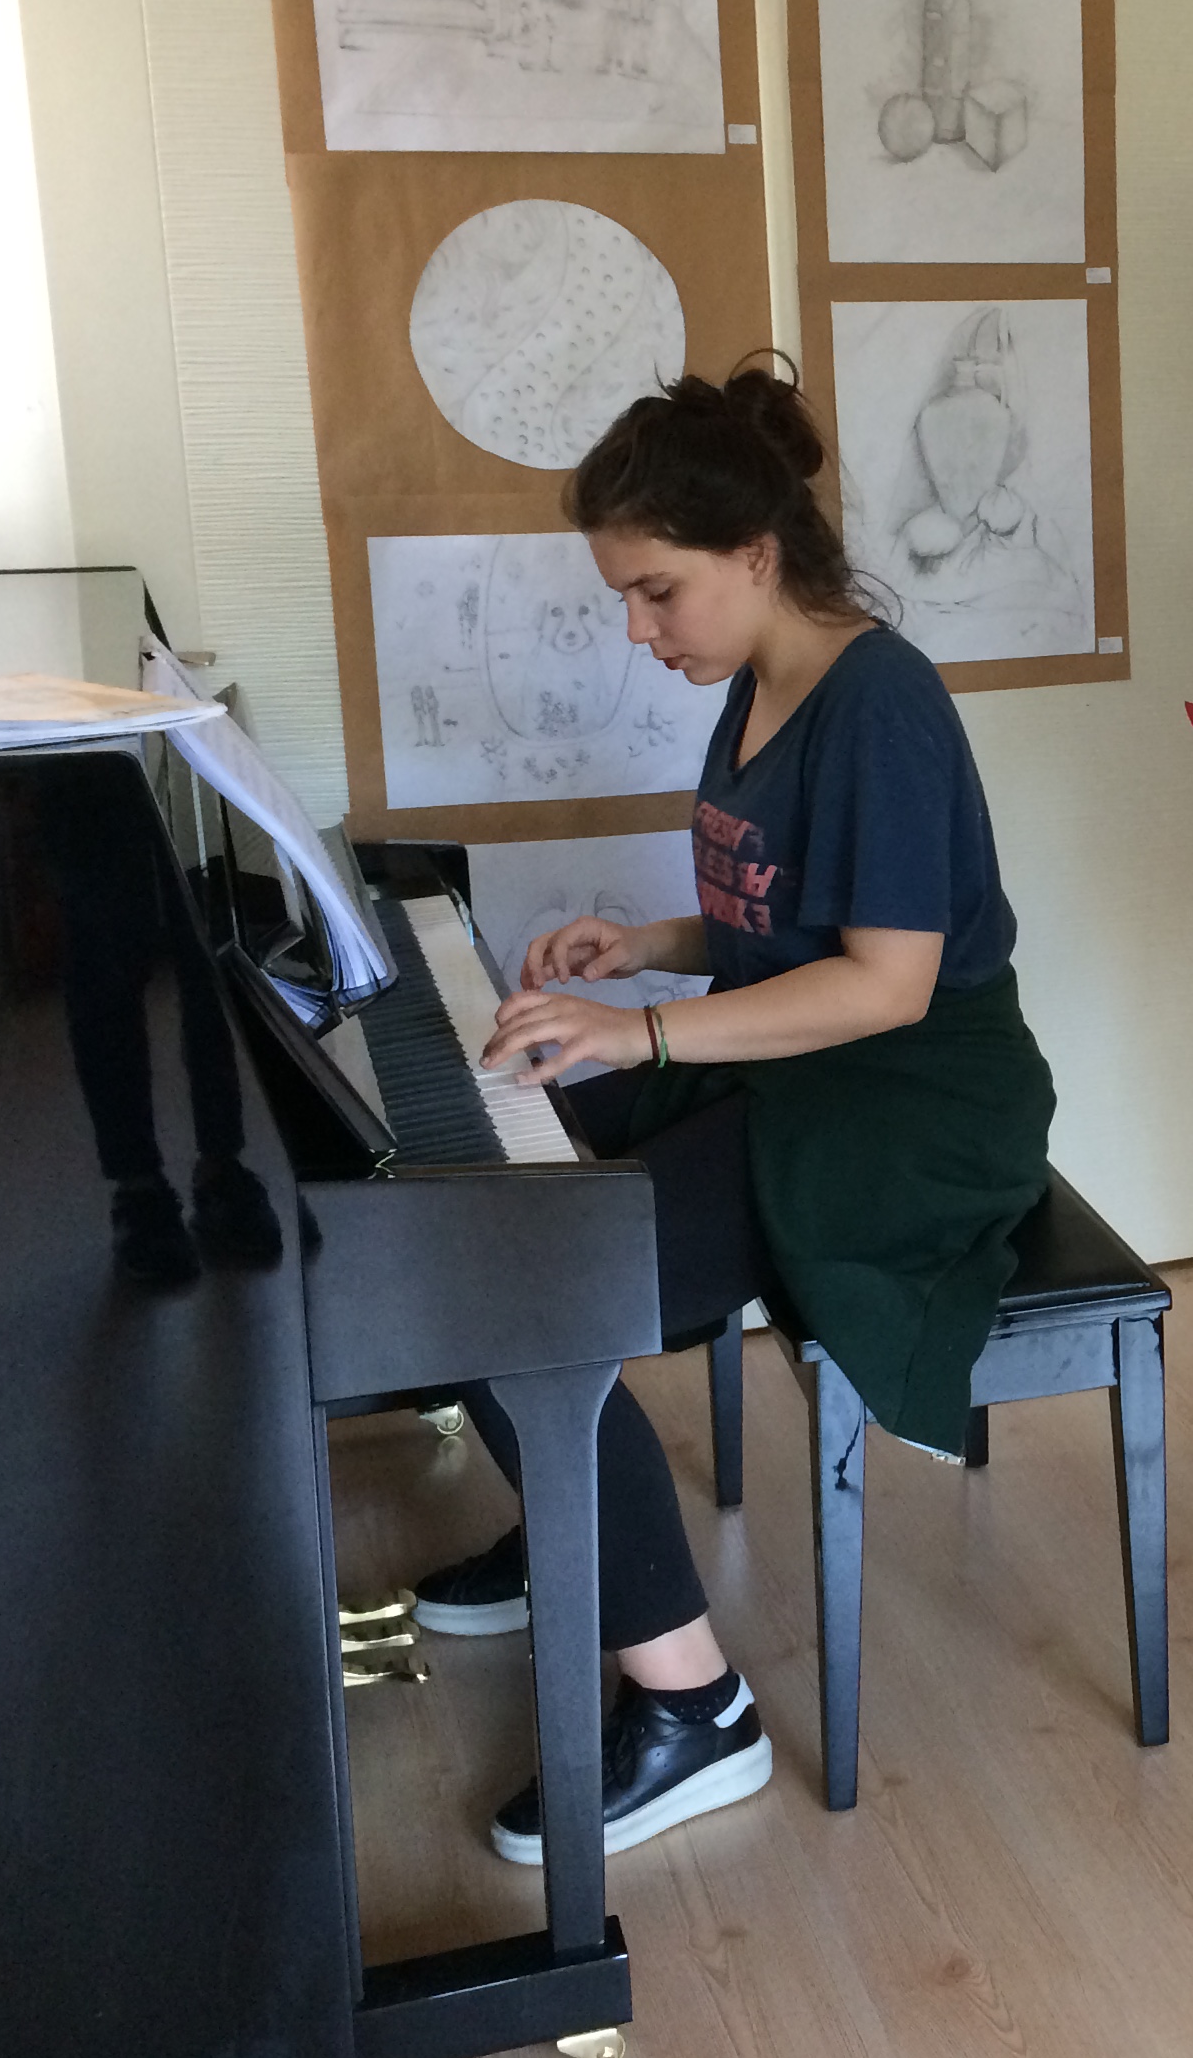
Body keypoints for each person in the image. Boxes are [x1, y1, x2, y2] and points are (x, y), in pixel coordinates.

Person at [412, 361, 1056, 1866]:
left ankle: (696, 1709)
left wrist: (641, 1026)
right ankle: (579, 1518)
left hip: (913, 1106)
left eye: (658, 593)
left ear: (757, 555)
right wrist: (645, 944)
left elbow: (888, 981)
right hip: (807, 1063)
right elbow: (789, 919)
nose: (641, 632)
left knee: (526, 1292)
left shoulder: (881, 704)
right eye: (628, 599)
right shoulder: (761, 683)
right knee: (485, 1194)